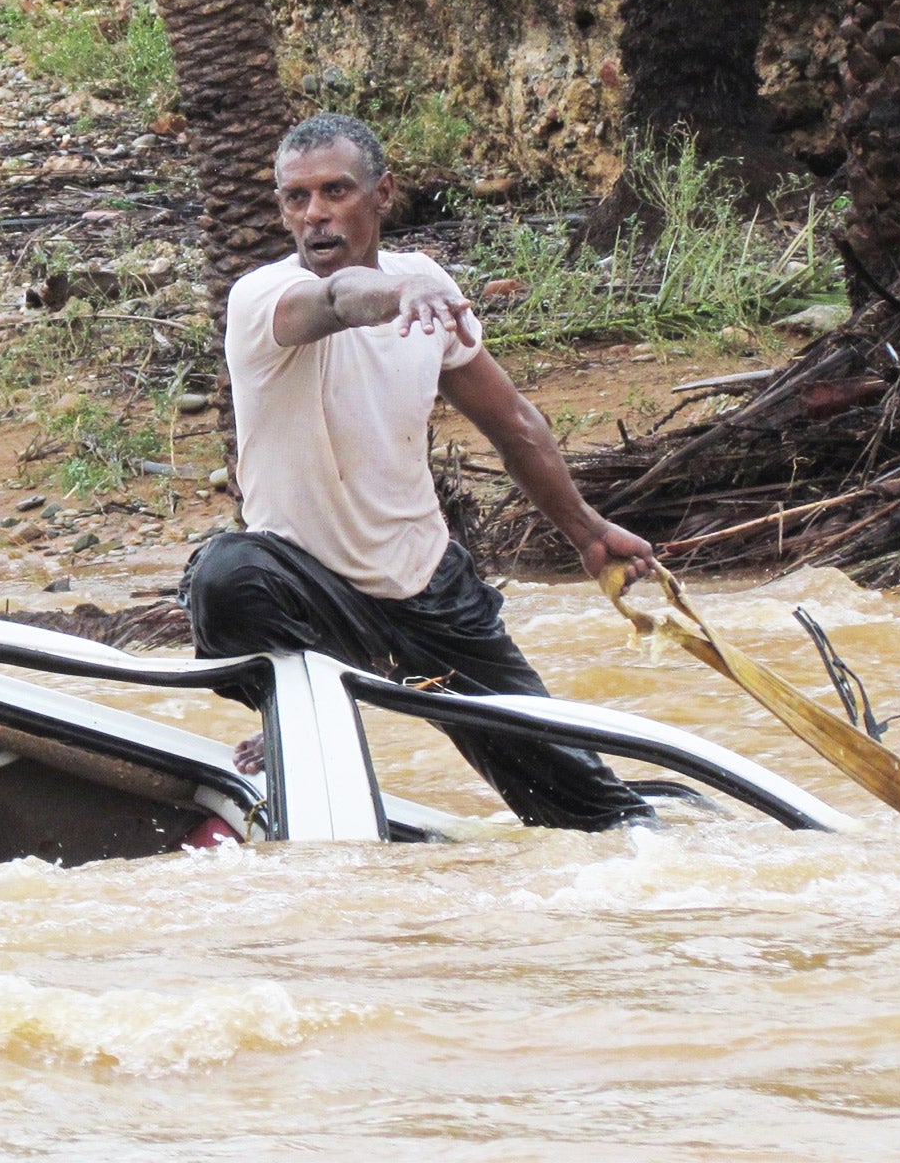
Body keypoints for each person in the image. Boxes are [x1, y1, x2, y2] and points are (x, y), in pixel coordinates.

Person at [181, 113, 658, 831]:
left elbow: (515, 424)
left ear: (382, 195)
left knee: (596, 811)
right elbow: (339, 299)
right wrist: (397, 298)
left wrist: (586, 531)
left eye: (335, 191)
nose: (315, 215)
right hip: (308, 595)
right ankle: (300, 712)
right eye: (296, 198)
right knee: (224, 576)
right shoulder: (262, 298)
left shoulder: (427, 285)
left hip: (430, 592)